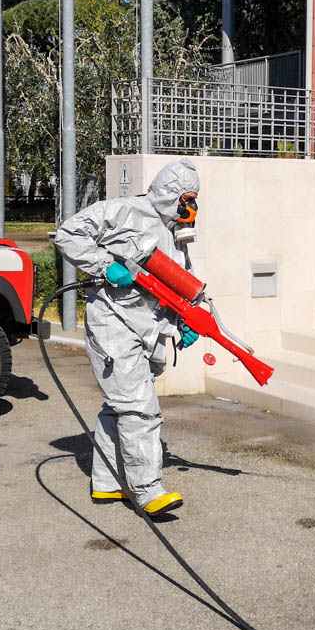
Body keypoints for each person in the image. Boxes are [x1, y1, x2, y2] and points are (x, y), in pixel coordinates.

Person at [54, 158, 201, 516]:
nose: (191, 207)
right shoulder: (121, 211)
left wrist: (185, 317)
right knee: (139, 408)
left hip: (146, 326)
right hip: (113, 322)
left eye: (194, 199)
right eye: (186, 198)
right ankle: (148, 491)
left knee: (119, 406)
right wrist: (105, 266)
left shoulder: (173, 231)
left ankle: (108, 483)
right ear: (169, 193)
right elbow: (67, 235)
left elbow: (178, 278)